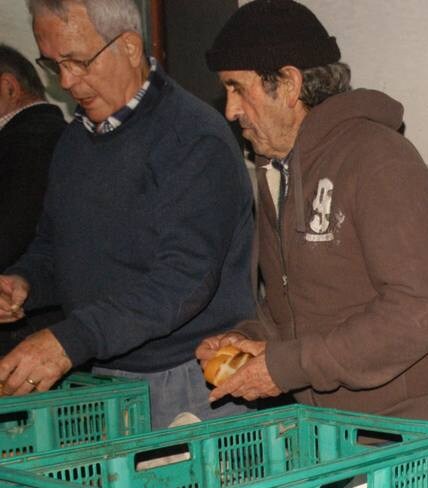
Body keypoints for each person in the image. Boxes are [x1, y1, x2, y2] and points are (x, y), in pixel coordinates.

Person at [197, 0, 428, 488]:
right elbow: (305, 304)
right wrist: (255, 339)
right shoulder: (278, 171)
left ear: (287, 84)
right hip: (345, 422)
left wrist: (287, 365)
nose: (230, 110)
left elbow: (421, 308)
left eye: (236, 87)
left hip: (424, 428)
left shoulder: (377, 158)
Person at [0, 0, 253, 427]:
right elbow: (53, 245)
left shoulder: (192, 138)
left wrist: (70, 339)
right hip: (104, 376)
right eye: (52, 64)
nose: (66, 82)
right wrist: (23, 282)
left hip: (189, 381)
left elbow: (182, 281)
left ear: (131, 47)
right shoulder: (75, 141)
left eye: (78, 62)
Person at [0, 44, 65, 354]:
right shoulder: (57, 135)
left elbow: (12, 235)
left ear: (8, 87)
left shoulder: (29, 142)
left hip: (25, 332)